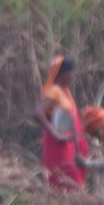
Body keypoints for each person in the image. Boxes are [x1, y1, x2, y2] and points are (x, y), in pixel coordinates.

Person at [35, 54, 89, 190]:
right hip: (60, 146)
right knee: (65, 178)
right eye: (71, 72)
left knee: (70, 179)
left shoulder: (64, 92)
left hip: (68, 144)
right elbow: (38, 113)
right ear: (64, 74)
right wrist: (56, 135)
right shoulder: (55, 92)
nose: (72, 76)